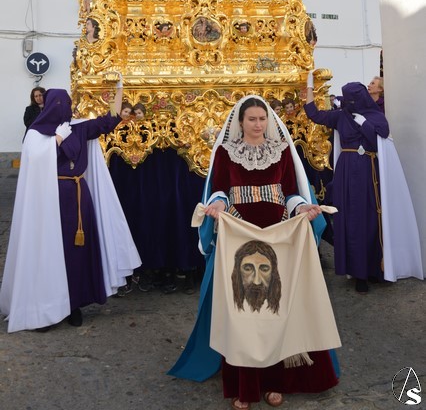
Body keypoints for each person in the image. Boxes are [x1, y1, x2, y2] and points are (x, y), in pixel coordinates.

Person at [168, 96, 340, 409]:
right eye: (252, 119)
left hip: (278, 237)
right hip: (239, 237)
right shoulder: (225, 152)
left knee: (276, 307)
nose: (258, 124)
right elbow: (219, 189)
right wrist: (218, 205)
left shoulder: (282, 150)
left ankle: (275, 382)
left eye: (262, 119)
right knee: (243, 312)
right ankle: (245, 386)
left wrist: (302, 208)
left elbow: (290, 192)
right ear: (241, 122)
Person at [0, 78, 141, 332]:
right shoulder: (35, 133)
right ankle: (43, 308)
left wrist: (118, 90)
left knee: (76, 252)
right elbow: (35, 160)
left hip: (77, 197)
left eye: (66, 104)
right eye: (59, 104)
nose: (64, 108)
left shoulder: (78, 128)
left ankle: (74, 304)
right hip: (48, 199)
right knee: (48, 251)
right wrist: (56, 139)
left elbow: (109, 121)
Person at [304, 75, 423, 293]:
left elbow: (380, 139)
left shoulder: (375, 116)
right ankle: (358, 272)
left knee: (372, 218)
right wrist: (309, 87)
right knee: (351, 219)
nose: (350, 104)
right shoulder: (341, 115)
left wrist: (365, 124)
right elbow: (315, 114)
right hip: (347, 172)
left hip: (369, 172)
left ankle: (375, 268)